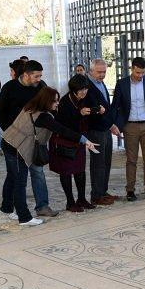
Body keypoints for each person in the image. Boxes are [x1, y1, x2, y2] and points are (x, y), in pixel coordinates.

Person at [2, 87, 97, 226]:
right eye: (54, 101)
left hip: (8, 141)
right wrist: (84, 140)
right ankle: (24, 217)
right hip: (17, 148)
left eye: (58, 100)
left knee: (12, 177)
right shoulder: (43, 117)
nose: (57, 103)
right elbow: (62, 130)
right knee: (19, 182)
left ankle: (6, 208)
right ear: (46, 101)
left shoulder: (31, 106)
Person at [0, 60, 57, 217]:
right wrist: (11, 133)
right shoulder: (9, 88)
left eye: (40, 76)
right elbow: (0, 113)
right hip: (15, 140)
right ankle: (7, 206)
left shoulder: (41, 86)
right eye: (36, 76)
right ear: (25, 75)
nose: (39, 79)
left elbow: (48, 106)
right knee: (15, 175)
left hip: (35, 140)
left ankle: (42, 206)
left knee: (37, 172)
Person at [112, 57, 145, 201]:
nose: (140, 75)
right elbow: (116, 106)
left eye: (143, 73)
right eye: (138, 72)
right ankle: (130, 191)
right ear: (132, 68)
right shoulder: (122, 84)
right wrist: (117, 125)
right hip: (130, 126)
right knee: (131, 160)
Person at [49, 75, 98, 212]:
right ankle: (70, 202)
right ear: (73, 90)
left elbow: (89, 112)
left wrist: (97, 109)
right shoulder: (65, 101)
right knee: (66, 172)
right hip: (65, 141)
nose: (84, 92)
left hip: (79, 139)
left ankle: (81, 199)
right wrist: (79, 114)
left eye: (86, 89)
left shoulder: (83, 99)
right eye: (81, 90)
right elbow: (63, 125)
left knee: (80, 171)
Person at [85, 58, 119, 206]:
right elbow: (95, 111)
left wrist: (110, 124)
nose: (102, 75)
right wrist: (111, 124)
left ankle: (103, 191)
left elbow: (106, 106)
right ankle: (96, 195)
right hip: (95, 129)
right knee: (98, 163)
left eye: (104, 72)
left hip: (105, 128)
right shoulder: (87, 86)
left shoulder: (100, 83)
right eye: (99, 72)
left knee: (106, 161)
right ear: (91, 71)